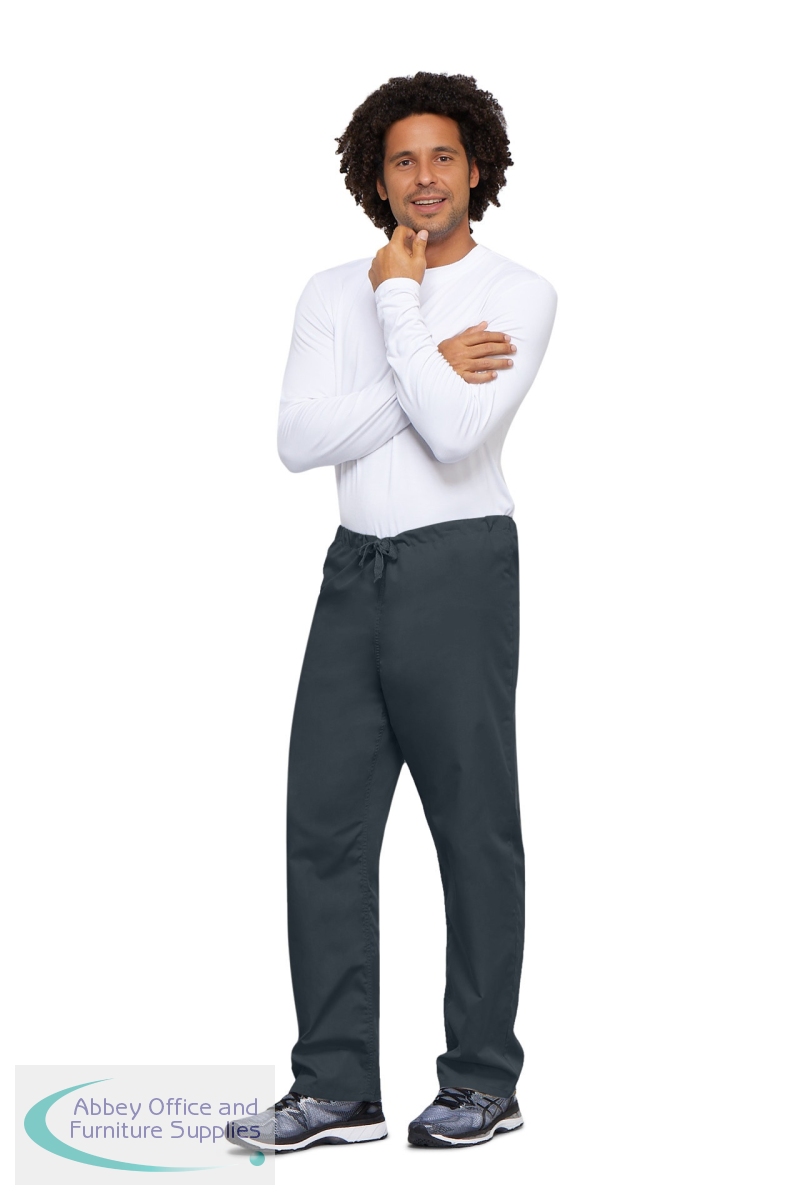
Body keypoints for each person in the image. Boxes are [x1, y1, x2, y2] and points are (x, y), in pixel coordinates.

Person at [226, 70, 557, 1154]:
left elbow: (459, 435)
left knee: (473, 829)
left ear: (477, 168)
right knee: (321, 828)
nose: (424, 178)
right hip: (350, 571)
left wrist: (402, 308)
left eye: (442, 157)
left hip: (459, 568)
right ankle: (335, 1087)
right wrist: (420, 366)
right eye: (402, 159)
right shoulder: (332, 290)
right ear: (375, 176)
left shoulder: (517, 292)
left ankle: (483, 1080)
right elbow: (297, 441)